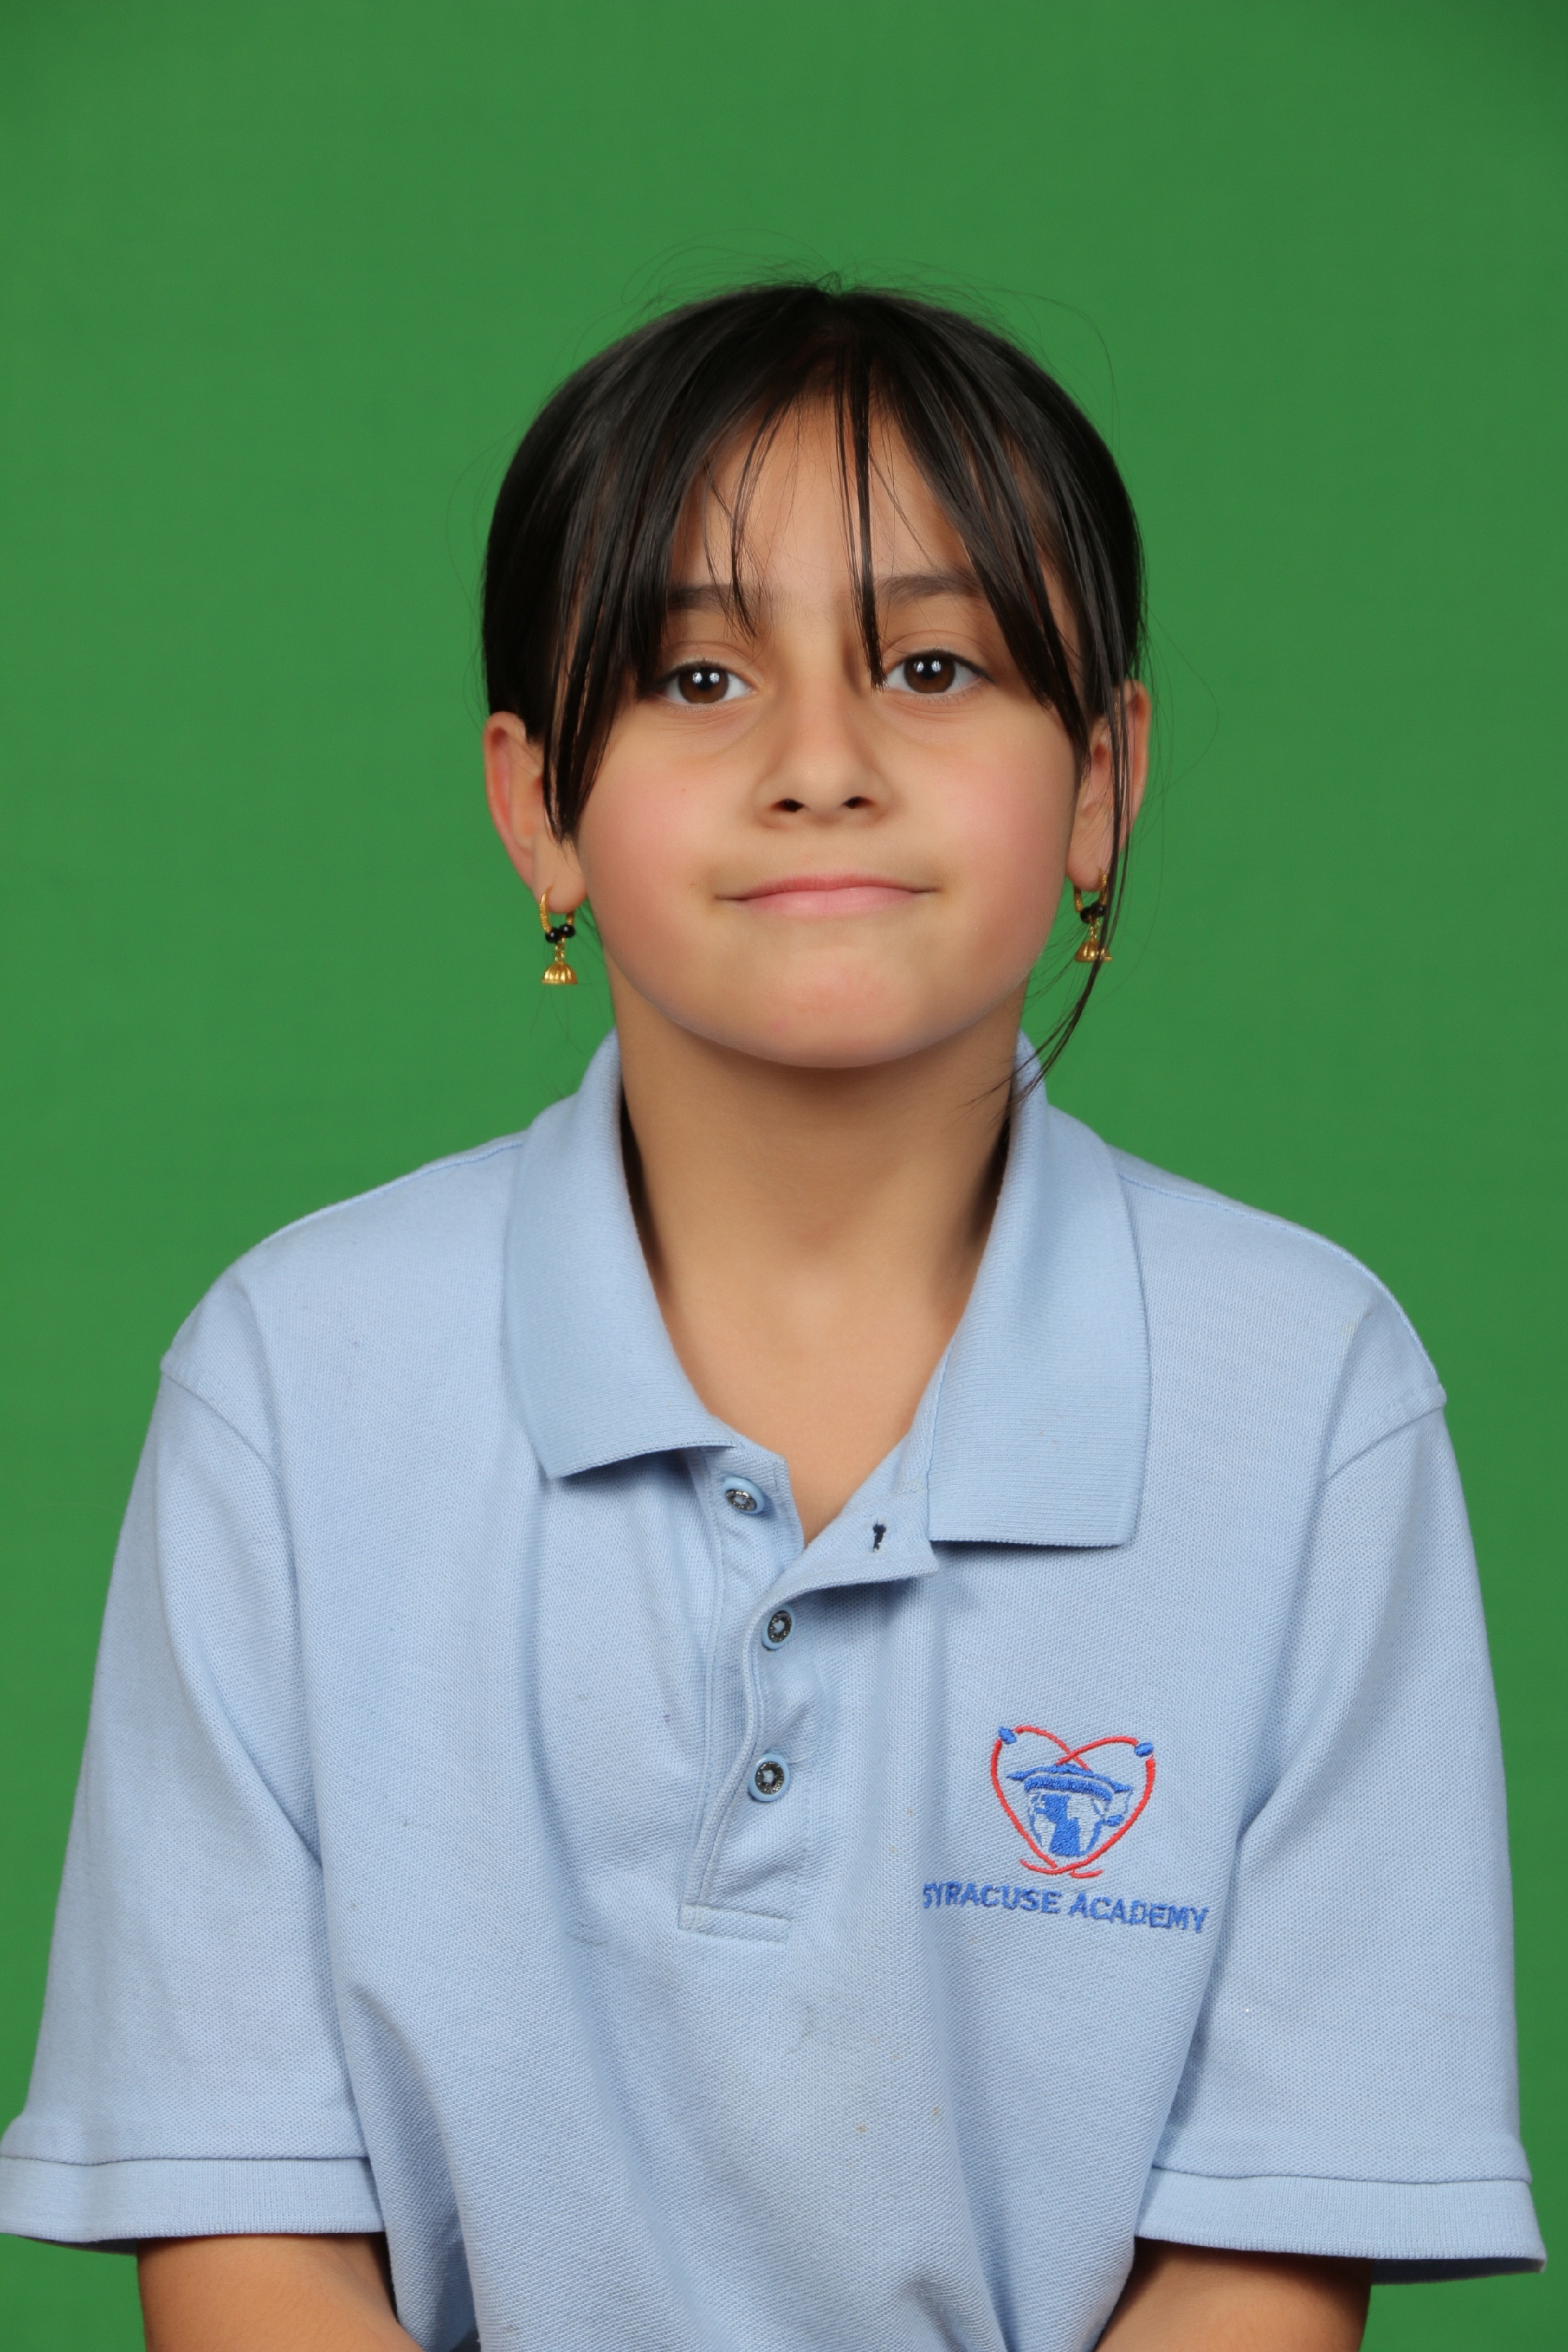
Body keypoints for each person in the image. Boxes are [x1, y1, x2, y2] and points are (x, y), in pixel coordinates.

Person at [0, 283, 1544, 2351]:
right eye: (700, 675)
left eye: (932, 664)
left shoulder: (1309, 1394)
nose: (822, 764)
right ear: (539, 807)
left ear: (1101, 779)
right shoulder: (292, 1382)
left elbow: (1260, 2268)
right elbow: (243, 2234)